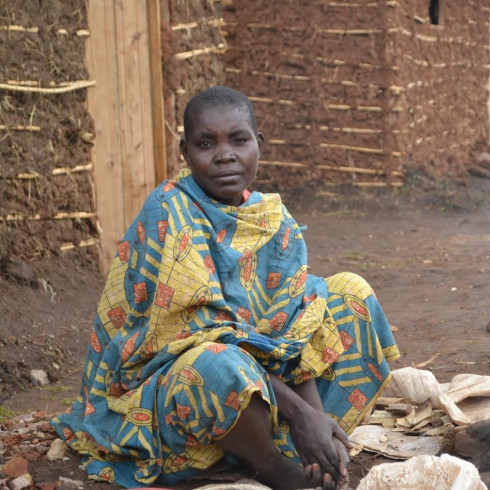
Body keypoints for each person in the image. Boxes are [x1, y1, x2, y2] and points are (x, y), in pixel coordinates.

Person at [51, 86, 400, 489]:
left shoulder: (272, 219)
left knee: (350, 295)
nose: (224, 155)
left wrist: (315, 421)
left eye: (238, 140)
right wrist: (301, 414)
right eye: (206, 143)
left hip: (262, 396)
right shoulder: (170, 210)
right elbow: (194, 339)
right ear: (185, 152)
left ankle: (312, 452)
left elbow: (292, 330)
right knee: (220, 365)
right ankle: (272, 465)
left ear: (259, 145)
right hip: (172, 399)